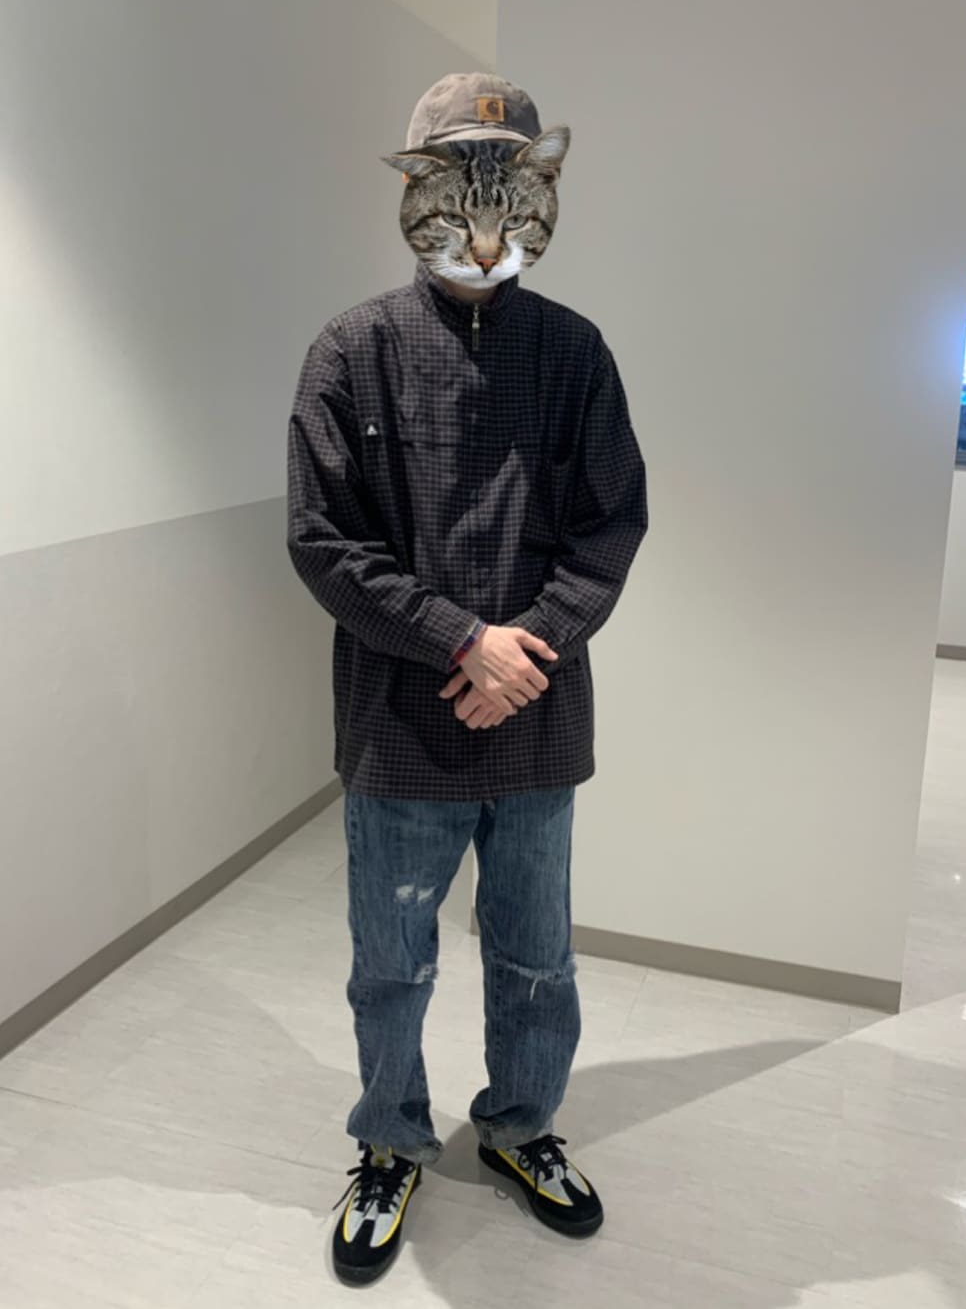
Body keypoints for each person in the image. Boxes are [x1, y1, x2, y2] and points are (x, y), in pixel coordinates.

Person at [286, 71, 648, 1286]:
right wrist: (459, 640)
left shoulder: (575, 352)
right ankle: (389, 1141)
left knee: (537, 955)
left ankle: (519, 1125)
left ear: (542, 199)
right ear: (415, 193)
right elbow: (321, 541)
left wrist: (520, 650)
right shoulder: (351, 351)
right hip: (401, 717)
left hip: (536, 713)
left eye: (515, 212)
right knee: (391, 962)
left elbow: (611, 524)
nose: (488, 245)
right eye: (459, 210)